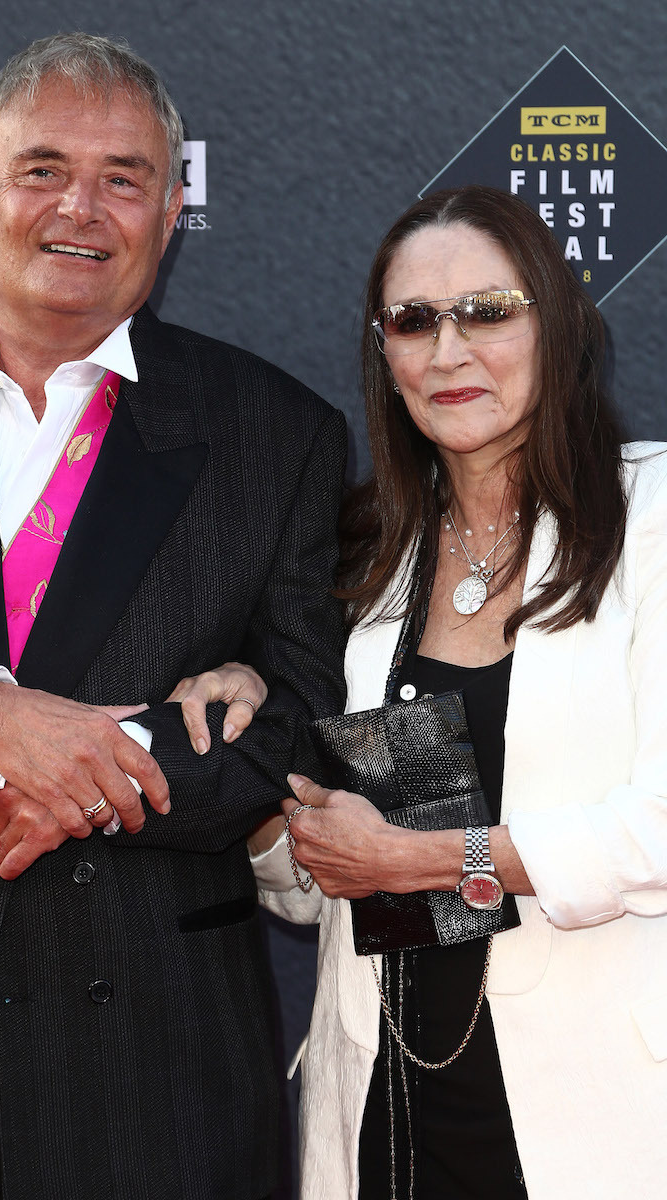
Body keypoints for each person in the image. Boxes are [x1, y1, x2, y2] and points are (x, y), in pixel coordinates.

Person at [0, 33, 346, 1200]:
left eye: (125, 176)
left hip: (147, 1074)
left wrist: (99, 766)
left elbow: (300, 724)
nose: (80, 207)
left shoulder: (276, 435)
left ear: (174, 209)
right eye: (40, 169)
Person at [227, 185, 667, 1199]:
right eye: (413, 321)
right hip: (385, 1105)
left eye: (486, 310)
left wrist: (421, 859)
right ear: (382, 354)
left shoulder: (648, 516)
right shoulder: (366, 558)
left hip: (595, 1116)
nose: (446, 350)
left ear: (554, 323)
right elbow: (312, 890)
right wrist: (252, 776)